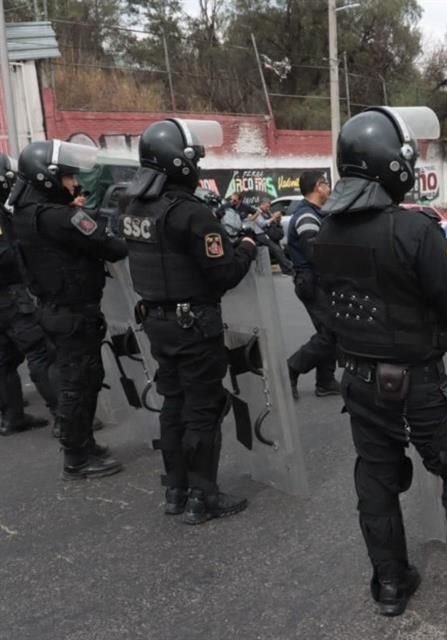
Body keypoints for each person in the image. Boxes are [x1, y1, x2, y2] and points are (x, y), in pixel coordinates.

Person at [309, 107, 447, 626]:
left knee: (375, 482)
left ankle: (390, 583)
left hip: (358, 383)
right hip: (419, 387)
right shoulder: (413, 230)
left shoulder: (323, 233)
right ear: (393, 164)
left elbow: (329, 311)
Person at [122, 118, 258, 523]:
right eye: (194, 158)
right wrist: (247, 248)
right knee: (203, 408)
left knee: (173, 405)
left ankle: (176, 491)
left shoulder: (133, 206)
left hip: (158, 323)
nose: (197, 165)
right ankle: (204, 497)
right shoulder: (191, 214)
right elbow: (224, 273)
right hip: (193, 325)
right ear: (179, 163)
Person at [9, 140, 127, 479]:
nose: (75, 184)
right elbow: (113, 246)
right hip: (73, 313)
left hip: (55, 309)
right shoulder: (61, 217)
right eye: (68, 178)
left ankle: (83, 443)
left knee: (82, 379)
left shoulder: (26, 213)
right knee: (79, 382)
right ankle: (77, 457)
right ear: (48, 179)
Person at [0, 154, 57, 436]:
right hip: (8, 295)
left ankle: (13, 417)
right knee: (40, 352)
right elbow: (5, 256)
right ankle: (66, 418)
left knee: (5, 360)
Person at [285, 171, 339, 399]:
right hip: (312, 281)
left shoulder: (316, 213)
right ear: (318, 186)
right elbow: (315, 252)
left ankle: (325, 382)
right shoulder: (307, 216)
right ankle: (291, 368)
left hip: (316, 281)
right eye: (327, 184)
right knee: (332, 332)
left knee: (328, 331)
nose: (329, 189)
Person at [252, 197, 293, 274]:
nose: (268, 208)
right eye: (267, 206)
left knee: (279, 248)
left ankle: (285, 269)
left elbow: (271, 221)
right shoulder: (256, 212)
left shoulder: (267, 212)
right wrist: (272, 218)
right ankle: (289, 267)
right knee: (275, 248)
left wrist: (277, 219)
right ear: (262, 204)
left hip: (269, 233)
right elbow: (262, 224)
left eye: (269, 207)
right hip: (260, 234)